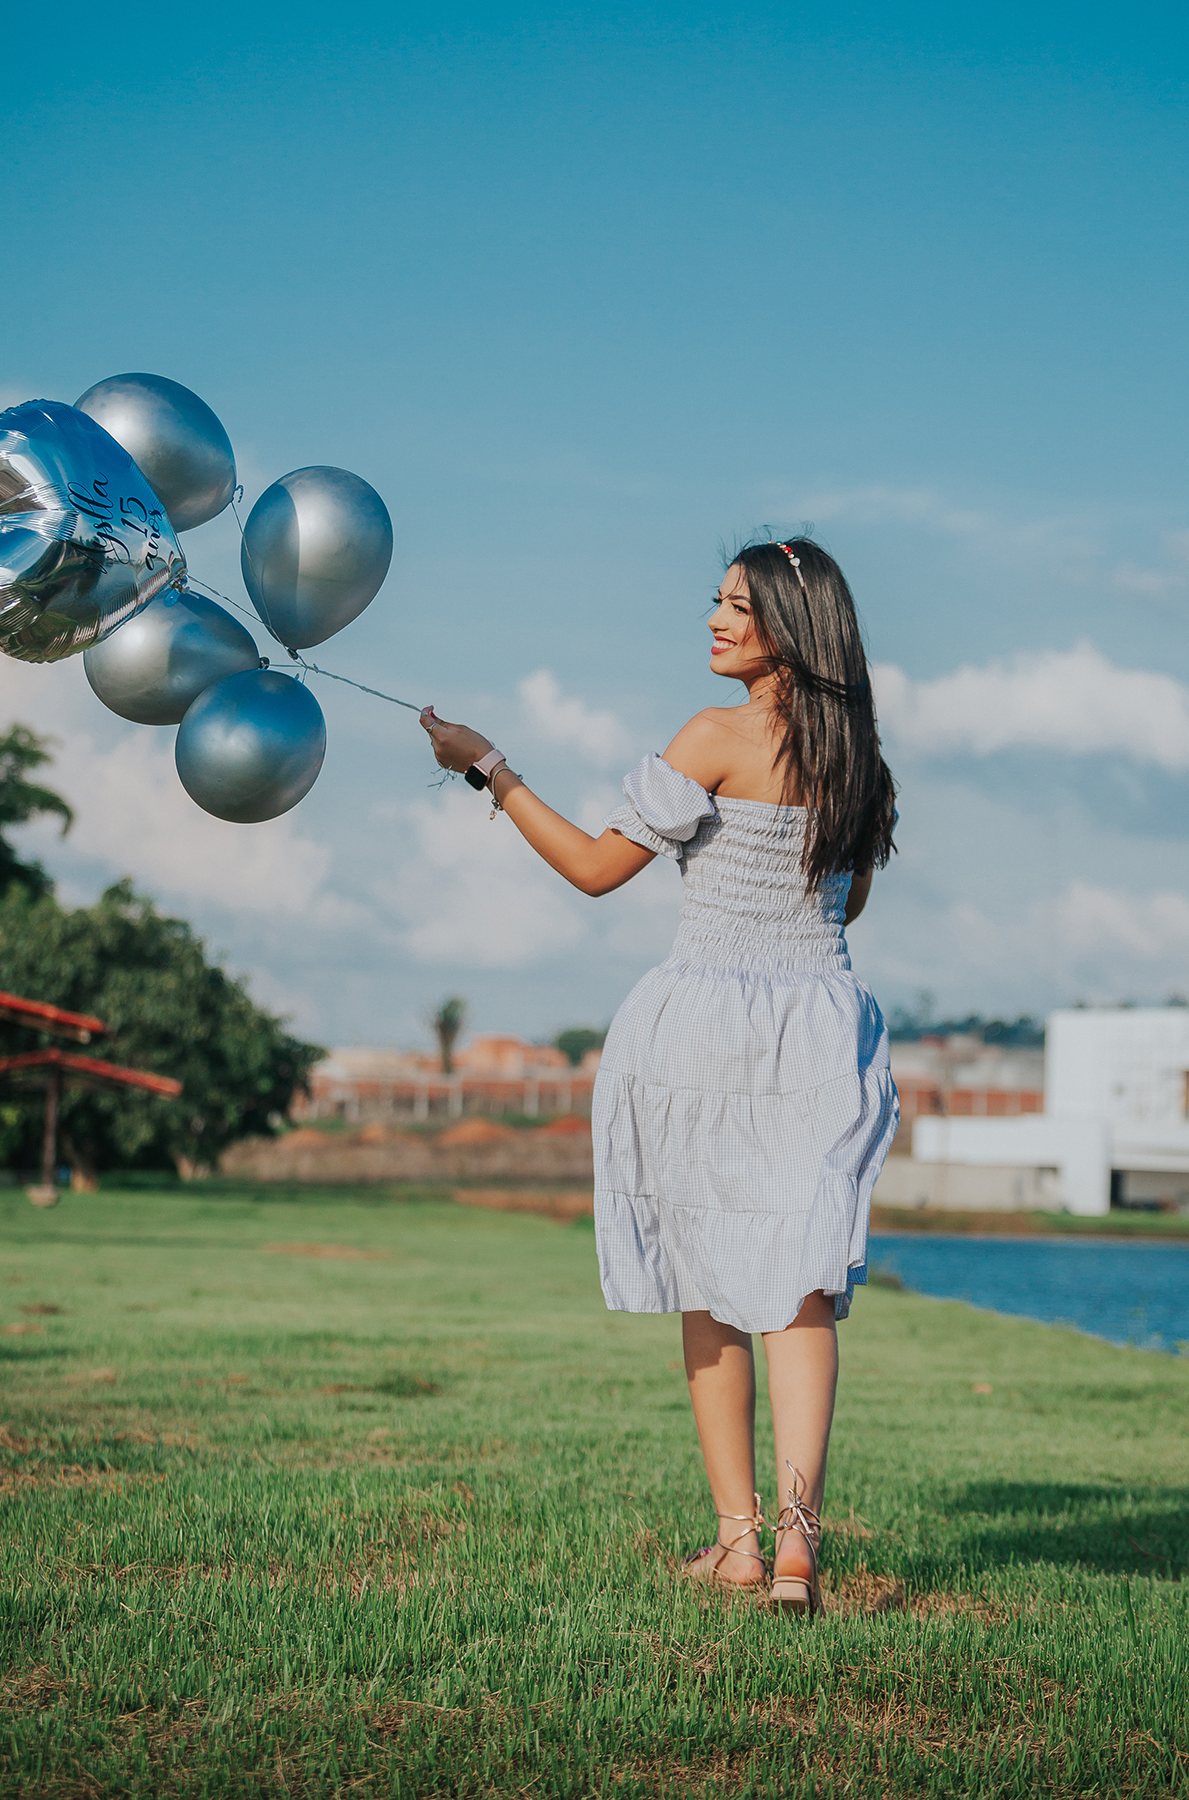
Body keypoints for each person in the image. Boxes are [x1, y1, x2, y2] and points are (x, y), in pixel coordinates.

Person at [421, 537, 898, 1618]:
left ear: (792, 628)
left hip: (704, 1027)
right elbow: (849, 901)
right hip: (822, 1026)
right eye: (716, 602)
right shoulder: (860, 760)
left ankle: (738, 1545)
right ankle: (795, 1550)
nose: (716, 621)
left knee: (708, 1281)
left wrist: (490, 767)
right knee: (801, 1285)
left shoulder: (714, 737)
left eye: (739, 607)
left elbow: (595, 869)